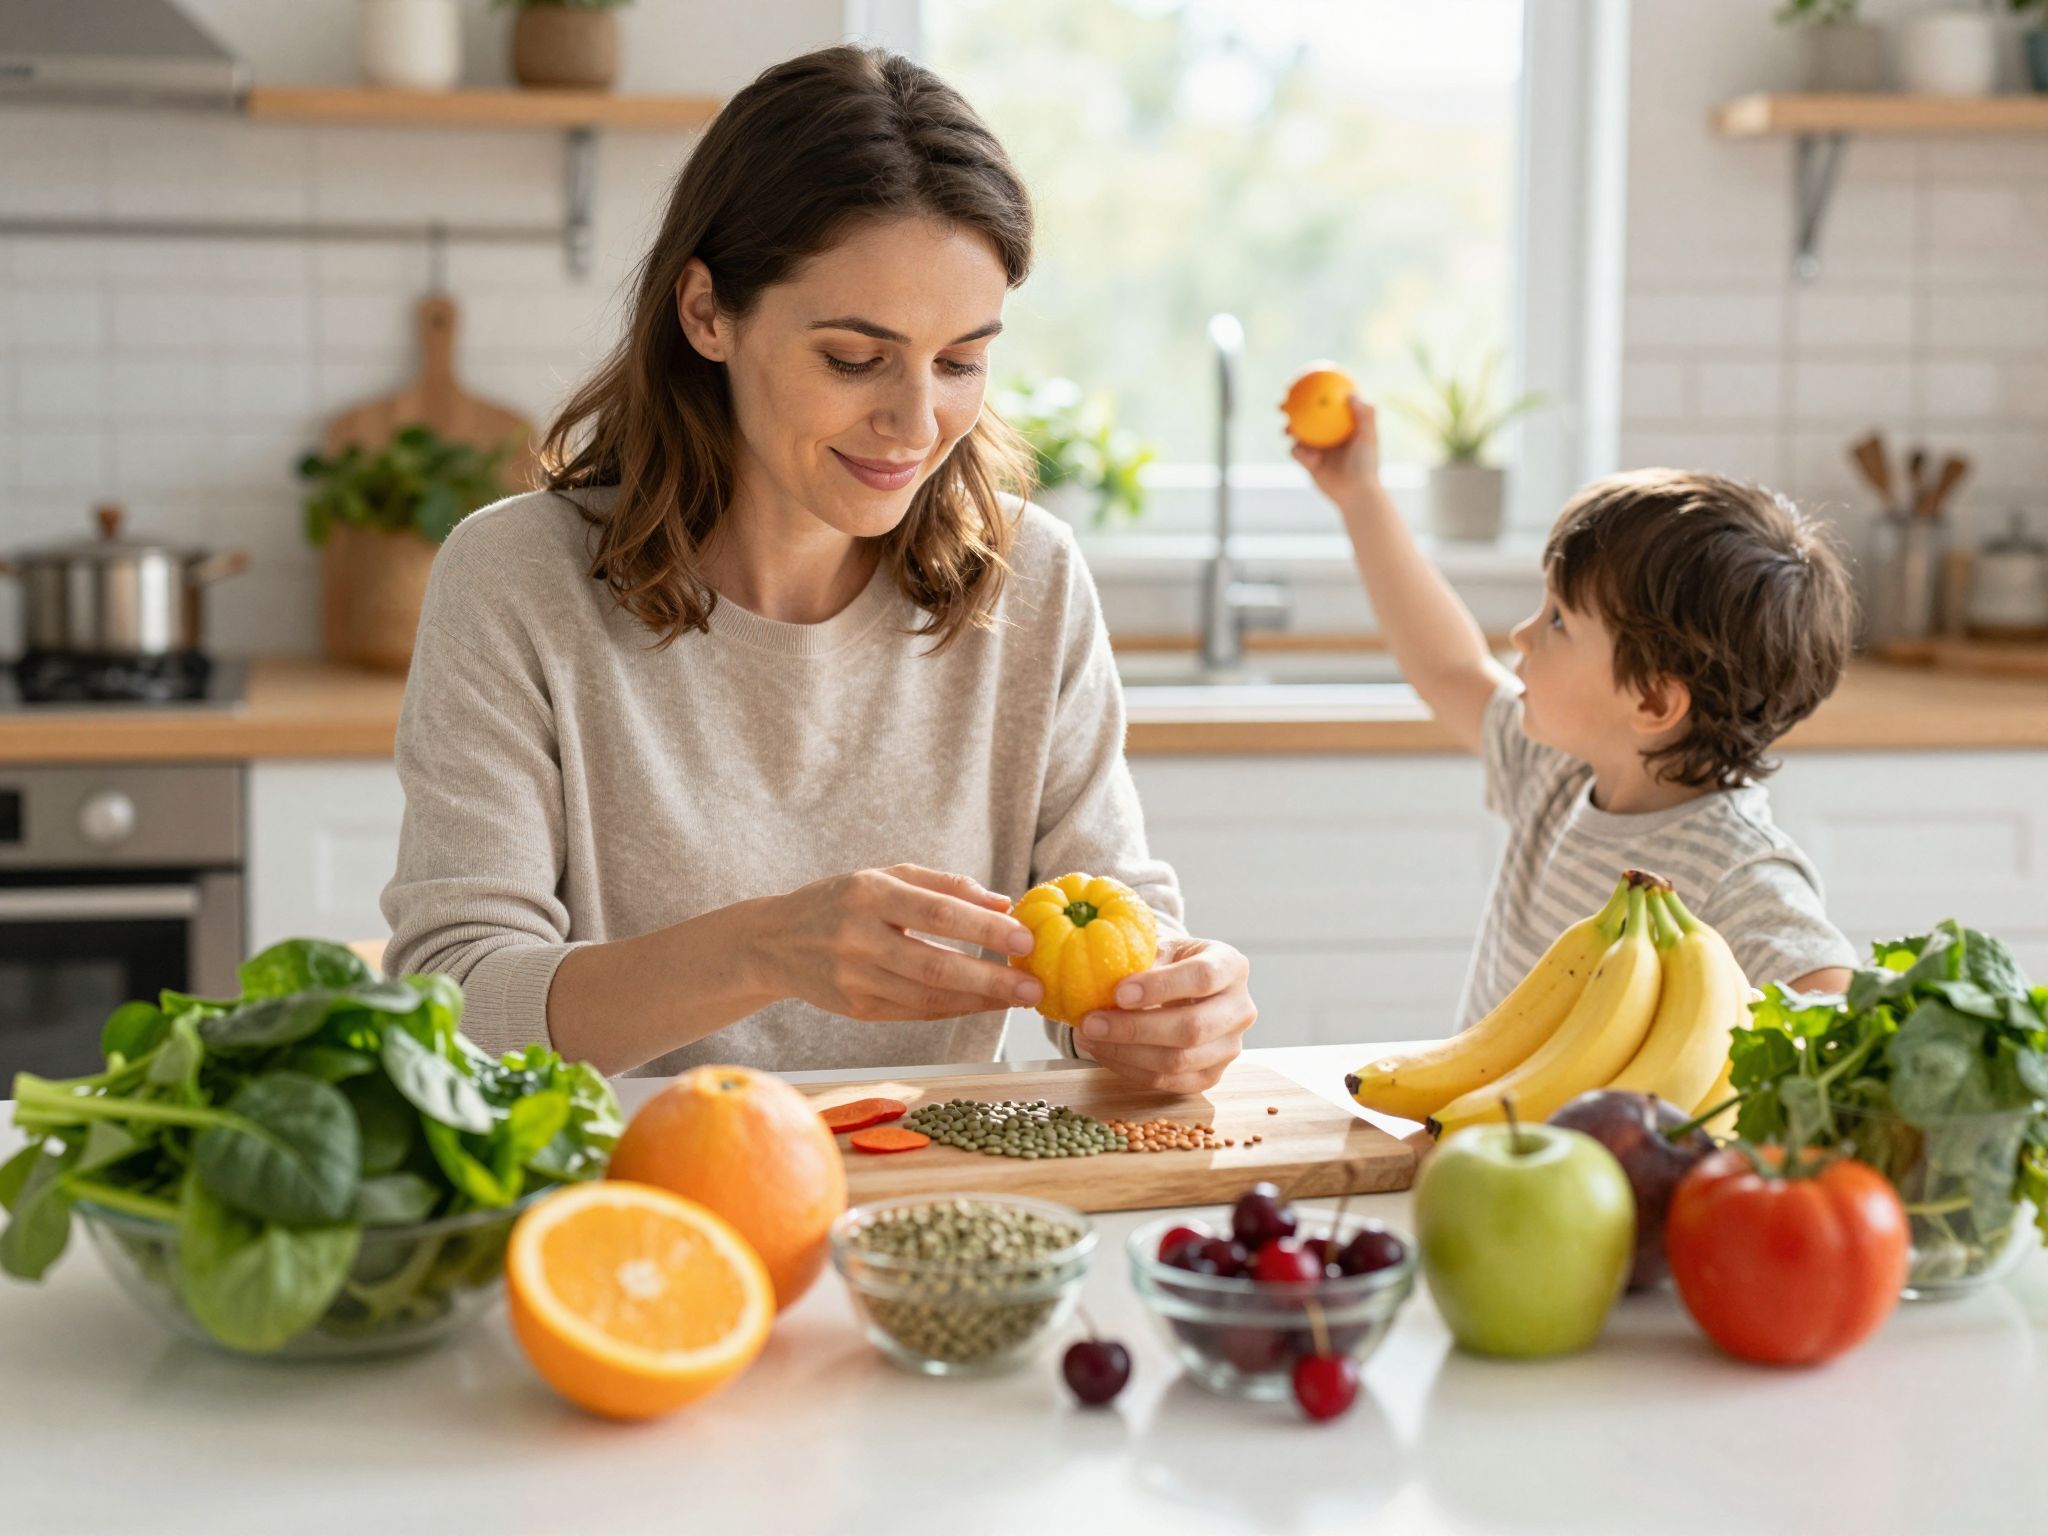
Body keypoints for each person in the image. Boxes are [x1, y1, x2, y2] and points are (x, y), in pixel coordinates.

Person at [380, 46, 1256, 1087]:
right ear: (706, 312)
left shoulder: (1032, 578)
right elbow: (455, 1014)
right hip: (638, 1216)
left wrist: (1166, 1006)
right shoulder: (516, 579)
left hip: (935, 1214)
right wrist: (759, 951)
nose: (913, 422)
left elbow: (1108, 934)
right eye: (853, 358)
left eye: (962, 361)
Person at [1296, 399, 1859, 1021]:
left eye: (1558, 619)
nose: (1522, 634)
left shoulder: (1734, 871)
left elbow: (1831, 998)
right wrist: (1361, 496)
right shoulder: (1560, 771)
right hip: (1484, 1121)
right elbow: (1448, 668)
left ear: (1651, 699)